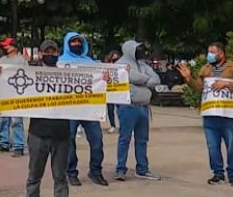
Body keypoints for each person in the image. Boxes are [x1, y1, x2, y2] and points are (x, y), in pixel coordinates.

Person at [17, 40, 76, 197]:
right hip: (38, 133)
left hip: (61, 133)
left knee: (60, 175)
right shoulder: (31, 75)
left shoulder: (66, 76)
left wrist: (102, 79)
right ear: (40, 54)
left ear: (58, 53)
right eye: (47, 51)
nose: (51, 54)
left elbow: (88, 86)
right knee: (34, 174)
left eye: (54, 50)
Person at [178, 42, 233, 186]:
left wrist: (228, 84)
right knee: (212, 146)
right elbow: (199, 87)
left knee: (232, 146)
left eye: (212, 52)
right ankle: (218, 174)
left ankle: (232, 175)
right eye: (208, 52)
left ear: (221, 54)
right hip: (211, 114)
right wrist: (188, 78)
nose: (209, 55)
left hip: (231, 115)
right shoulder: (205, 69)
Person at [57, 32, 108, 187]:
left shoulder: (90, 62)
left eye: (79, 41)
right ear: (67, 44)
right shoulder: (61, 62)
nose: (77, 44)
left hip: (89, 108)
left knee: (97, 141)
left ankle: (96, 171)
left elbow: (101, 80)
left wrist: (106, 77)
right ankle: (71, 172)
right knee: (69, 141)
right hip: (70, 108)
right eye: (73, 42)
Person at [114, 40, 161, 181]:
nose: (140, 51)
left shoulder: (143, 65)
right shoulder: (120, 65)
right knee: (125, 139)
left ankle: (142, 169)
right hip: (128, 107)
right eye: (137, 48)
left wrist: (140, 80)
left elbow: (156, 79)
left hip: (144, 108)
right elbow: (129, 76)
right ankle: (120, 169)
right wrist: (145, 80)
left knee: (142, 140)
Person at [0, 37, 26, 156]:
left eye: (7, 45)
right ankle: (3, 143)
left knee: (17, 120)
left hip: (16, 94)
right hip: (3, 93)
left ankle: (18, 145)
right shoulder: (2, 59)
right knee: (3, 119)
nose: (5, 47)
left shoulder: (21, 60)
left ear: (14, 46)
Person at [104, 50, 121, 134]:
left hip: (118, 91)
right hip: (109, 92)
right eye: (113, 57)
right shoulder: (106, 66)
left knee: (120, 110)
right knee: (110, 110)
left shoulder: (120, 66)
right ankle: (112, 125)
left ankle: (123, 125)